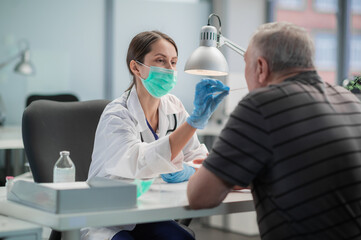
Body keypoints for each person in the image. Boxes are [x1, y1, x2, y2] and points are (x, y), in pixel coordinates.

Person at [187, 22, 361, 240]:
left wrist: (209, 170)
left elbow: (200, 197)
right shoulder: (349, 99)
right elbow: (307, 169)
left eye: (245, 64)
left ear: (260, 67)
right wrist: (237, 172)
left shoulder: (261, 104)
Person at [81, 31, 229, 240]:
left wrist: (186, 169)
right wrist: (193, 123)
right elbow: (137, 161)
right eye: (160, 61)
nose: (169, 69)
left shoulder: (174, 106)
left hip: (148, 211)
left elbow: (198, 159)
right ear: (136, 67)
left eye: (174, 62)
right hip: (107, 217)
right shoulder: (117, 114)